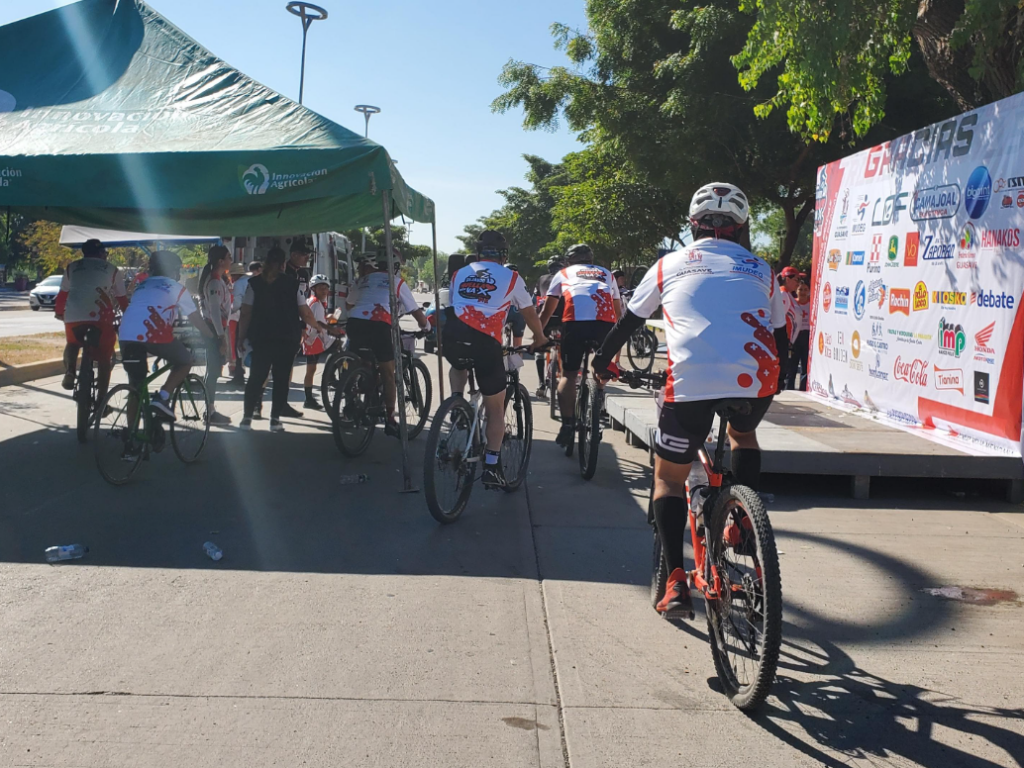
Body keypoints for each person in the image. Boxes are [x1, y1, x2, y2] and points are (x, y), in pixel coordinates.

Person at [591, 182, 788, 619]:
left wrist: (602, 361)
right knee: (743, 434)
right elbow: (779, 333)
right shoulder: (762, 268)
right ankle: (742, 521)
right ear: (741, 227)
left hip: (692, 381)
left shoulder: (668, 264)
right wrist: (781, 377)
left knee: (668, 478)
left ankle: (677, 582)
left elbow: (628, 323)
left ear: (693, 224)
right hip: (756, 378)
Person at [444, 230, 548, 488]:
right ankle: (491, 465)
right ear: (503, 255)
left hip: (453, 337)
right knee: (495, 409)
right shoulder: (511, 276)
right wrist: (540, 338)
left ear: (478, 253)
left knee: (459, 363)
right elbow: (529, 313)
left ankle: (457, 404)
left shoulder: (459, 273)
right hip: (485, 342)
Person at [237, 247, 332, 432]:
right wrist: (320, 327)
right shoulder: (292, 284)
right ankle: (274, 420)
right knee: (281, 379)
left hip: (261, 336)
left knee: (256, 377)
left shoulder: (254, 283)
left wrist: (241, 337)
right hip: (287, 337)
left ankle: (247, 418)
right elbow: (304, 312)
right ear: (283, 264)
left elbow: (246, 312)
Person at [539, 243, 622, 448]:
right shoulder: (607, 274)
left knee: (568, 374)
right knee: (601, 366)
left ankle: (567, 424)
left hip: (575, 324)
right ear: (592, 261)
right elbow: (618, 312)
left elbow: (547, 311)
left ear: (568, 261)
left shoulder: (564, 273)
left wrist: (537, 337)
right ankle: (598, 397)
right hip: (605, 325)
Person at [119, 250, 214, 421]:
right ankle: (163, 397)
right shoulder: (176, 288)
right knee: (185, 360)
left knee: (136, 384)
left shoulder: (143, 285)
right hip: (153, 334)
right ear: (173, 270)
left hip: (125, 335)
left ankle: (131, 437)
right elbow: (195, 318)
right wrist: (212, 337)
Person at [345, 252, 430, 434]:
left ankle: (353, 398)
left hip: (355, 324)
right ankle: (390, 419)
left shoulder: (363, 280)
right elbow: (415, 311)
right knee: (388, 373)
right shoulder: (396, 282)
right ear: (397, 268)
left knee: (364, 362)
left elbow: (349, 304)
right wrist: (427, 328)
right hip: (379, 326)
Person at [54, 239, 128, 409]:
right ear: (102, 253)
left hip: (74, 315)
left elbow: (63, 294)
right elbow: (121, 299)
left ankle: (70, 371)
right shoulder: (112, 270)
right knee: (104, 359)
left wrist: (59, 312)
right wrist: (129, 315)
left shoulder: (72, 268)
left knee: (72, 342)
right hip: (101, 318)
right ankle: (101, 402)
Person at [197, 245, 233, 426]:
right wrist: (221, 337)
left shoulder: (220, 280)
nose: (231, 261)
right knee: (213, 371)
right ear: (220, 261)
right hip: (213, 329)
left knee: (215, 370)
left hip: (216, 328)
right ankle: (210, 410)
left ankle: (210, 408)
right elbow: (215, 312)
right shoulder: (214, 282)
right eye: (229, 257)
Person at [301, 274, 336, 410]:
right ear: (313, 288)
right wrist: (332, 329)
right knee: (311, 370)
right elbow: (319, 322)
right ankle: (310, 398)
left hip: (312, 338)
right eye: (321, 287)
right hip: (313, 339)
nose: (325, 290)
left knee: (312, 369)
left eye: (326, 288)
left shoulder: (314, 301)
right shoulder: (316, 303)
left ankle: (309, 398)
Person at [533, 256, 565, 396]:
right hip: (564, 319)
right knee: (567, 348)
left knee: (540, 351)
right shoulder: (567, 278)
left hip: (546, 319)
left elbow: (536, 300)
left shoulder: (541, 279)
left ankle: (541, 384)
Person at [228, 261, 260, 385]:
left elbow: (237, 303)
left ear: (235, 275)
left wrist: (229, 311)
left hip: (244, 317)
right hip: (257, 317)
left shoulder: (238, 284)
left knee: (238, 344)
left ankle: (239, 374)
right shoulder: (253, 280)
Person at [786, 280, 811, 391]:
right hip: (795, 336)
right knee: (792, 365)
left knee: (806, 364)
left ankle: (803, 388)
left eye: (805, 289)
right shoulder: (792, 303)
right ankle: (789, 388)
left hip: (807, 336)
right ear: (796, 291)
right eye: (800, 289)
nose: (803, 292)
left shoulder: (812, 304)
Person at [504, 263, 526, 347]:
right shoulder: (519, 280)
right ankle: (518, 354)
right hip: (517, 312)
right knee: (518, 343)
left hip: (504, 311)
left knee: (496, 338)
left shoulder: (499, 281)